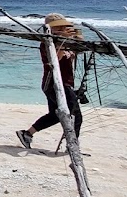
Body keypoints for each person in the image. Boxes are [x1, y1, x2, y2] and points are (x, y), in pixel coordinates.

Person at [16, 13, 84, 149]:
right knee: (75, 114)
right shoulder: (47, 44)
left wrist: (77, 38)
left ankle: (27, 134)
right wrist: (63, 42)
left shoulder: (66, 42)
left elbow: (79, 52)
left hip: (65, 83)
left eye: (63, 27)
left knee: (55, 115)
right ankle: (73, 145)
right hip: (53, 84)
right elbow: (54, 61)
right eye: (58, 28)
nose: (62, 29)